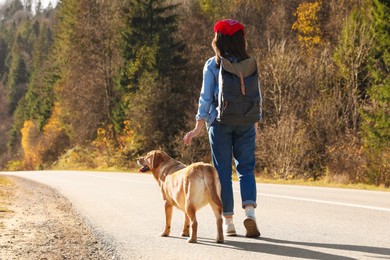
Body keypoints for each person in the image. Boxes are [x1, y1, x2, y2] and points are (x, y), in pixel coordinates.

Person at [183, 19, 261, 238]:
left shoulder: (212, 64)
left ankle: (228, 222)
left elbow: (205, 97)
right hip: (245, 121)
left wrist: (199, 125)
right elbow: (257, 95)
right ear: (240, 39)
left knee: (223, 173)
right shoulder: (250, 63)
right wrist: (256, 122)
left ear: (218, 39)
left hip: (219, 123)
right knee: (246, 169)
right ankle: (250, 213)